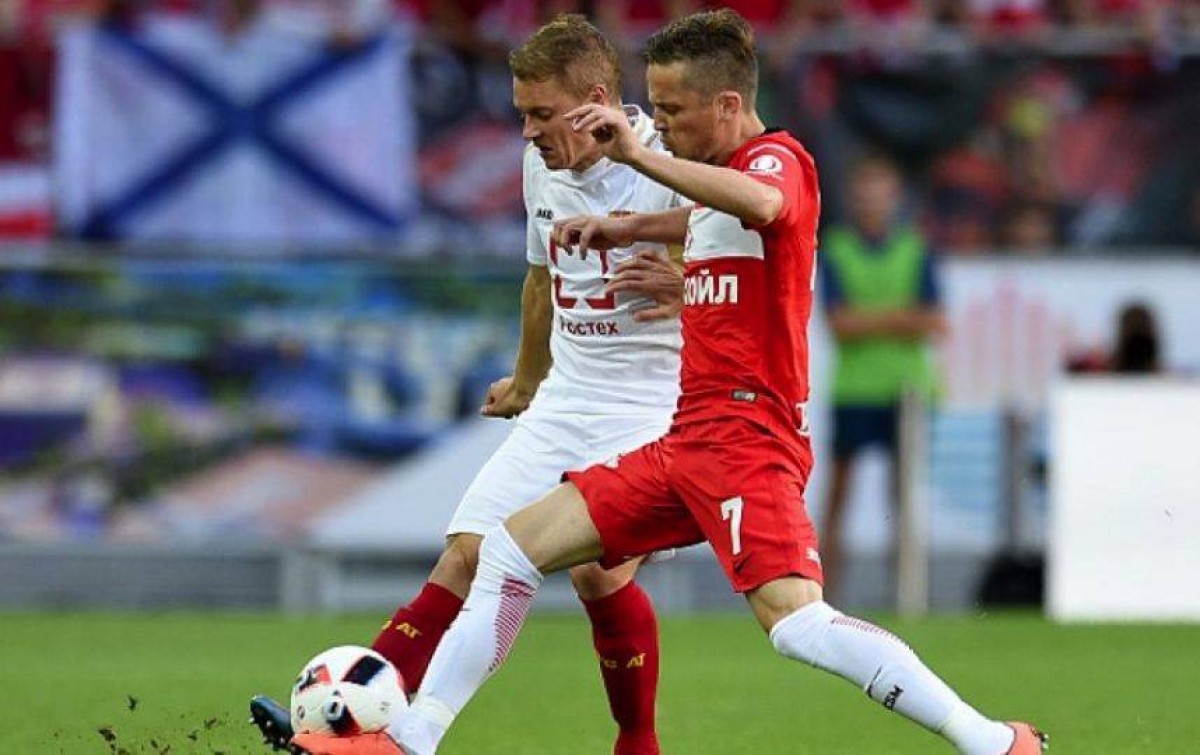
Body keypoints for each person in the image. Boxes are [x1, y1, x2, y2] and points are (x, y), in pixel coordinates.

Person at [291, 9, 1046, 755]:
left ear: (728, 105)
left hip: (748, 441)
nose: (660, 126)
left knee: (796, 624)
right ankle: (412, 738)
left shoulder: (777, 159)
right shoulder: (707, 187)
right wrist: (628, 228)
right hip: (684, 439)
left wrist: (636, 159)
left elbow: (763, 204)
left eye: (674, 111)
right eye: (655, 110)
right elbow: (709, 221)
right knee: (508, 550)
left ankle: (990, 741)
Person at [252, 14, 686, 755]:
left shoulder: (669, 163)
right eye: (522, 114)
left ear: (596, 101)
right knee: (463, 554)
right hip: (566, 401)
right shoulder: (541, 165)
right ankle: (337, 730)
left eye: (542, 113)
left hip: (650, 408)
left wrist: (686, 283)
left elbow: (759, 257)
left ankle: (636, 743)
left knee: (598, 574)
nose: (527, 131)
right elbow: (540, 280)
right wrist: (526, 381)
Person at [818, 154, 946, 596]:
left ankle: (906, 591)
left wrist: (866, 319)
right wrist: (900, 318)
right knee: (839, 496)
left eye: (879, 196)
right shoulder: (837, 247)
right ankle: (823, 592)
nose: (872, 205)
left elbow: (933, 320)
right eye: (865, 196)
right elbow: (839, 325)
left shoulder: (915, 247)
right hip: (855, 388)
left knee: (903, 495)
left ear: (895, 199)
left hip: (906, 389)